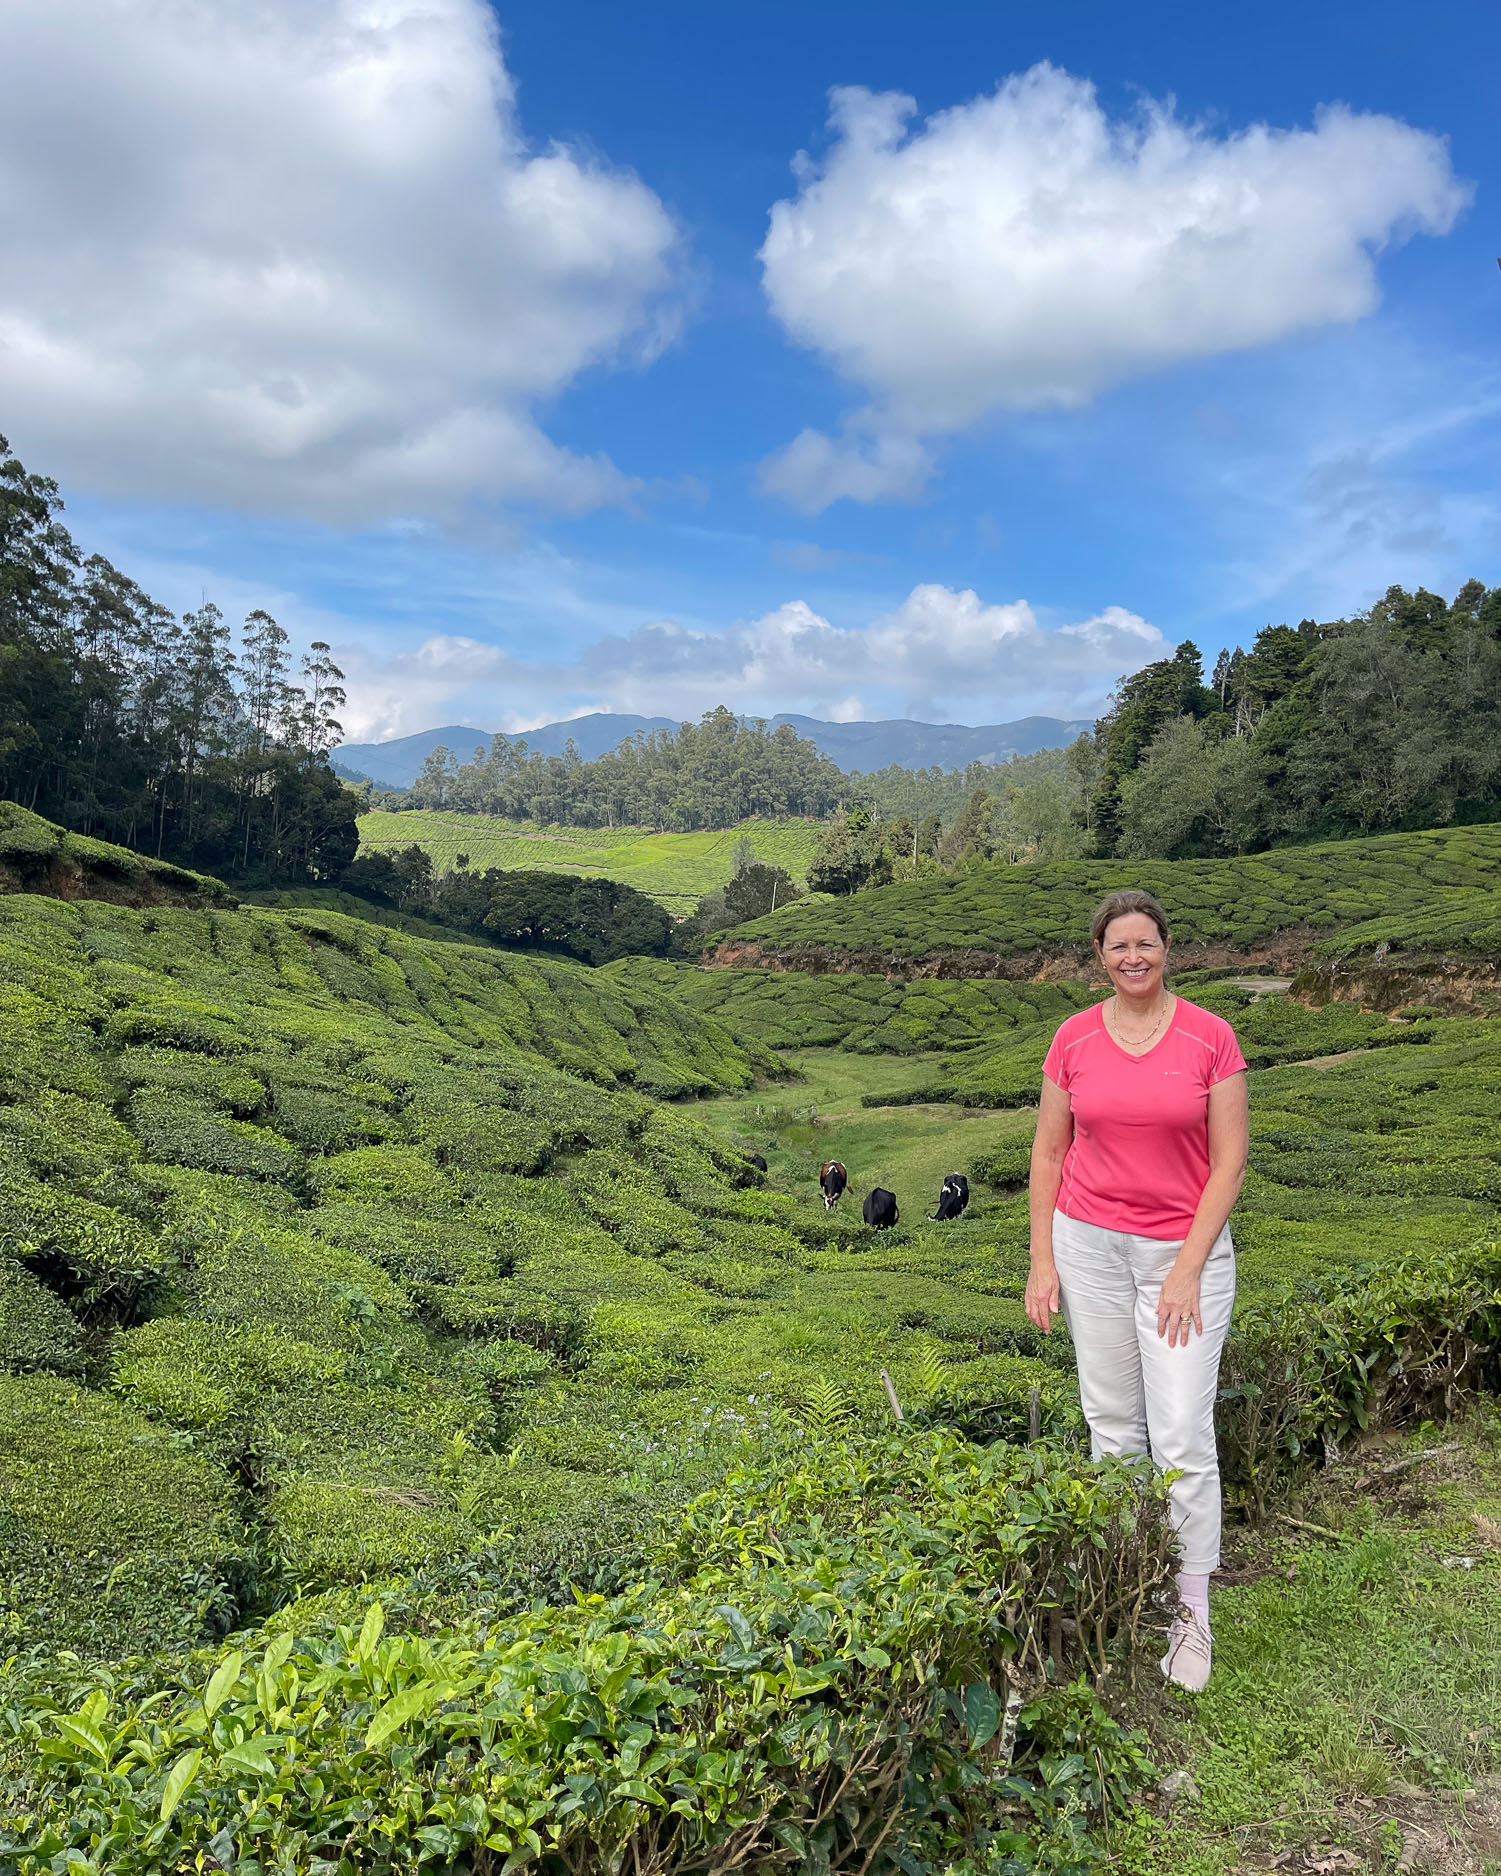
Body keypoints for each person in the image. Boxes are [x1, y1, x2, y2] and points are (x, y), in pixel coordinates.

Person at [1025, 889, 1248, 1692]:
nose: (1132, 957)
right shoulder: (1072, 1037)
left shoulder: (1209, 1038)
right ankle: (1127, 1577)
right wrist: (1041, 1261)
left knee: (1182, 1431)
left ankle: (1191, 1609)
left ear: (1165, 949)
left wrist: (1187, 1268)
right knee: (1111, 1420)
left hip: (1177, 1255)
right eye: (1117, 946)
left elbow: (1228, 1163)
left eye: (1144, 944)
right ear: (1099, 954)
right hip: (1087, 1247)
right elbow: (1049, 1155)